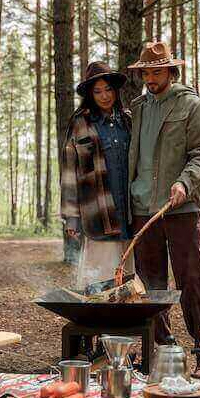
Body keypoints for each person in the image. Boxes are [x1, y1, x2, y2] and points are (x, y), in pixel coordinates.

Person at [127, 41, 200, 379]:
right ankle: (163, 351)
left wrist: (184, 183)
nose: (150, 78)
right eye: (146, 72)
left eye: (156, 71)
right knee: (150, 284)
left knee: (192, 279)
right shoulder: (137, 108)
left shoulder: (191, 105)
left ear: (170, 72)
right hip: (142, 207)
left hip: (180, 207)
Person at [61, 62, 135, 289]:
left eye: (108, 89)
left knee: (129, 282)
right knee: (99, 282)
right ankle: (97, 322)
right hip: (98, 211)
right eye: (97, 91)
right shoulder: (80, 123)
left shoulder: (128, 120)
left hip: (131, 212)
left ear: (116, 90)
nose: (104, 96)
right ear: (90, 95)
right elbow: (69, 172)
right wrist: (71, 216)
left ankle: (127, 323)